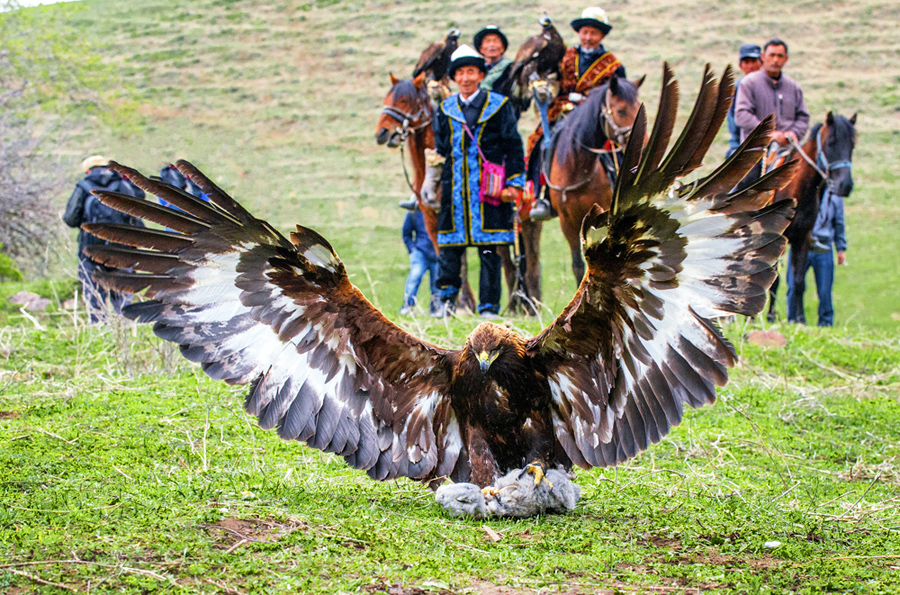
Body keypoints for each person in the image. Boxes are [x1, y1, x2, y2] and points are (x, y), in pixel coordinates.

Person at [433, 45, 525, 319]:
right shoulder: (445, 109)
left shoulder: (499, 105)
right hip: (455, 192)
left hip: (490, 192)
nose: (465, 78)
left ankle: (488, 307)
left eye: (471, 71)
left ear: (480, 74)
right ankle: (447, 304)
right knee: (450, 250)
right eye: (460, 73)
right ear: (453, 78)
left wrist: (515, 182)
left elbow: (513, 147)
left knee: (489, 251)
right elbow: (441, 148)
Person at [529, 6, 627, 221]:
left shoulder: (614, 66)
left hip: (596, 118)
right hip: (563, 111)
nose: (588, 37)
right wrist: (545, 91)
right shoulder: (566, 56)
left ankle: (623, 193)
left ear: (601, 36)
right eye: (585, 32)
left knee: (617, 148)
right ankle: (542, 196)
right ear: (579, 33)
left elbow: (619, 96)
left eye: (593, 33)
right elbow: (553, 81)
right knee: (539, 143)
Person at [63, 156, 146, 322]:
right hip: (123, 250)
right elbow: (139, 210)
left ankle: (99, 330)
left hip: (91, 250)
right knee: (123, 297)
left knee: (95, 298)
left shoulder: (83, 187)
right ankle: (127, 329)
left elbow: (70, 218)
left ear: (87, 170)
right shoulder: (124, 185)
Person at [734, 38, 809, 188]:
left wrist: (790, 134)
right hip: (756, 153)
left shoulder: (793, 86)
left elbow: (803, 117)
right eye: (772, 55)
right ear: (763, 57)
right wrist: (768, 134)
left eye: (780, 56)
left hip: (788, 151)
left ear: (786, 59)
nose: (775, 60)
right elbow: (742, 114)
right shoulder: (749, 83)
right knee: (743, 192)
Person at [786, 189, 847, 326]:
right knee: (793, 285)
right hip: (801, 246)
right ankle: (793, 319)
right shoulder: (802, 193)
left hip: (824, 248)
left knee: (825, 290)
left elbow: (839, 221)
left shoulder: (835, 196)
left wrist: (840, 248)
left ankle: (826, 323)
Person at [400, 210, 439, 316]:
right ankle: (407, 306)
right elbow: (406, 233)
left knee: (437, 282)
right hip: (420, 252)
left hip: (437, 253)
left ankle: (436, 309)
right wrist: (412, 249)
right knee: (415, 277)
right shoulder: (413, 213)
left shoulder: (438, 211)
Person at [725, 44, 762, 158]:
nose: (750, 66)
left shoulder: (770, 86)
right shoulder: (735, 90)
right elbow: (733, 123)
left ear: (762, 62)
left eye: (754, 61)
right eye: (746, 62)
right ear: (740, 66)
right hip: (742, 144)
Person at [474, 26, 514, 97]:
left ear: (502, 48)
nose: (492, 44)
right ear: (481, 49)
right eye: (487, 41)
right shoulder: (476, 69)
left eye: (496, 41)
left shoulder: (512, 68)